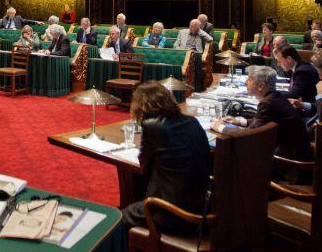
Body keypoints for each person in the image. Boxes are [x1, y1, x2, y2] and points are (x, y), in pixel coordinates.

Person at [121, 82, 210, 235]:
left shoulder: (153, 126)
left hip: (173, 213)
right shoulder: (192, 121)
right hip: (201, 205)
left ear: (142, 105)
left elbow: (143, 165)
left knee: (122, 216)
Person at [212, 65, 310, 161]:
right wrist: (240, 122)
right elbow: (264, 123)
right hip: (294, 153)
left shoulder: (268, 103)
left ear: (261, 86)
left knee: (229, 156)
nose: (245, 82)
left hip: (287, 163)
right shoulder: (276, 97)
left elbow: (249, 135)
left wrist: (221, 128)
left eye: (249, 80)